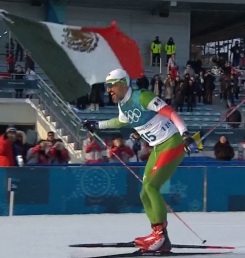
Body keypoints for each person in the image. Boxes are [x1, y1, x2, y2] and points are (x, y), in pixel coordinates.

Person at [83, 69, 196, 253]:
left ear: (122, 83)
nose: (108, 90)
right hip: (158, 147)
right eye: (107, 87)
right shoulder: (122, 105)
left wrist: (185, 135)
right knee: (144, 193)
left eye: (110, 86)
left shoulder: (142, 96)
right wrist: (97, 125)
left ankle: (160, 236)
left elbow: (170, 112)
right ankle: (159, 236)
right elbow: (120, 122)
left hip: (172, 143)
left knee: (152, 187)